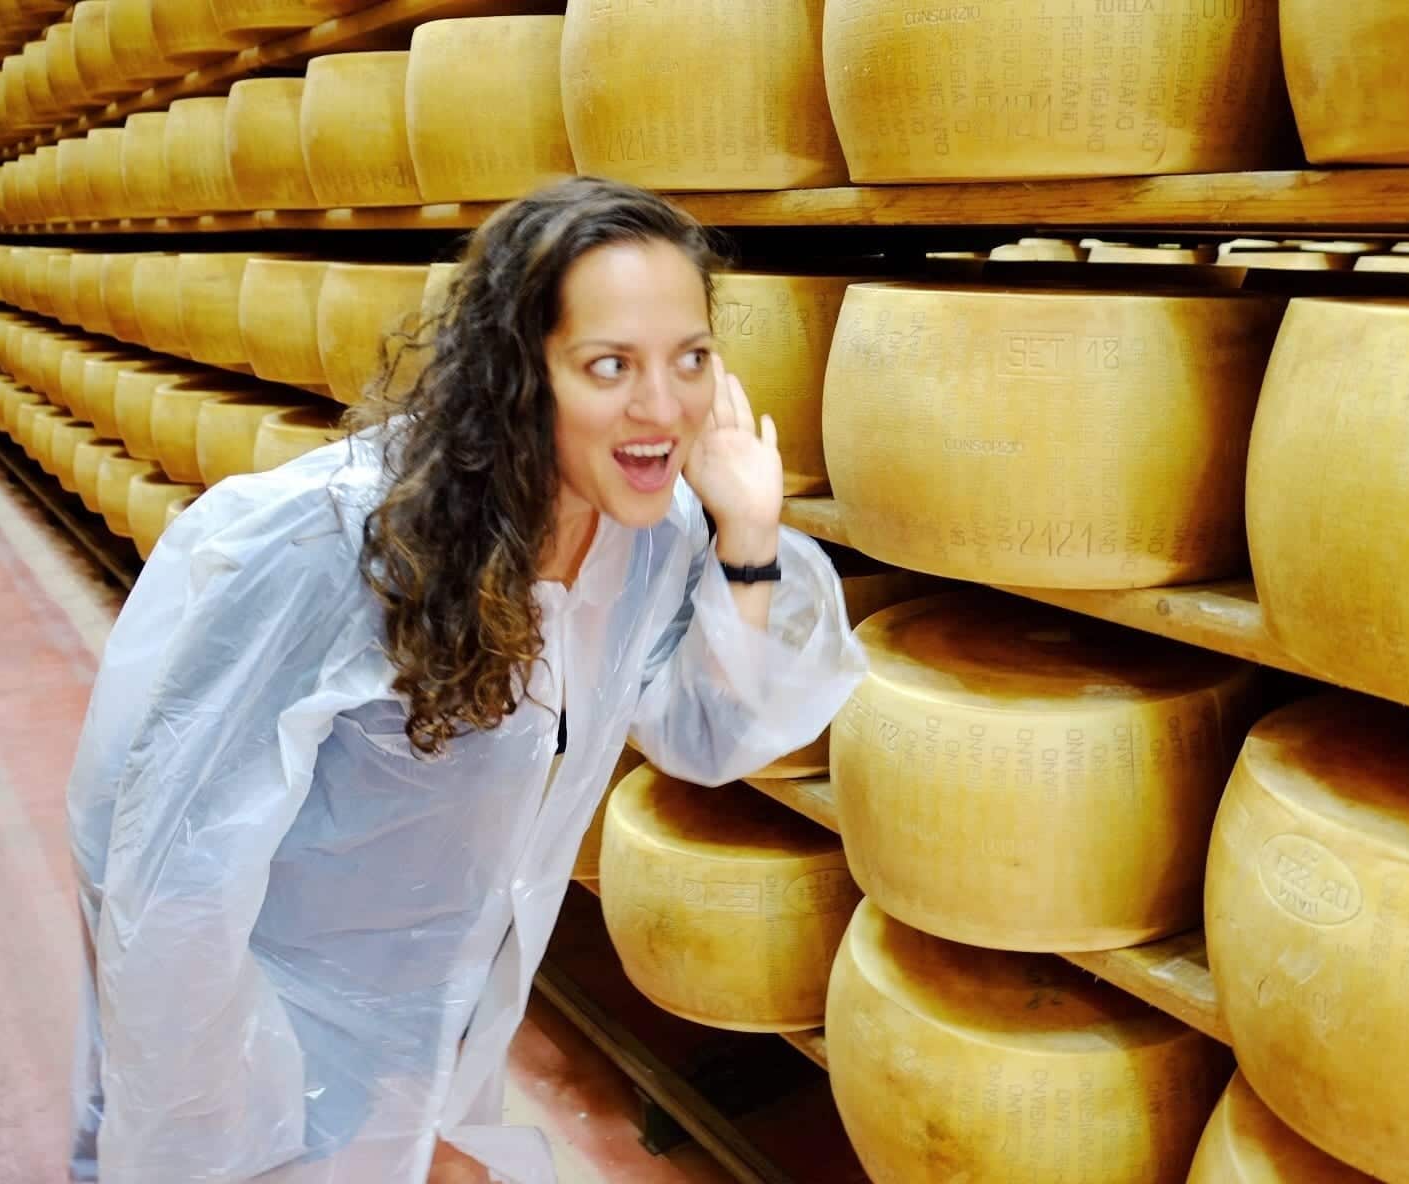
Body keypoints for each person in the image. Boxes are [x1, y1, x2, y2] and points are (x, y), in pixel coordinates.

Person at [63, 177, 868, 1184]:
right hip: (243, 1031)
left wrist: (748, 538)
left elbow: (711, 733)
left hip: (425, 1023)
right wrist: (237, 1119)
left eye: (691, 358)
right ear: (516, 373)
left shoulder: (647, 538)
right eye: (611, 364)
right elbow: (160, 872)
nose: (663, 407)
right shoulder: (329, 544)